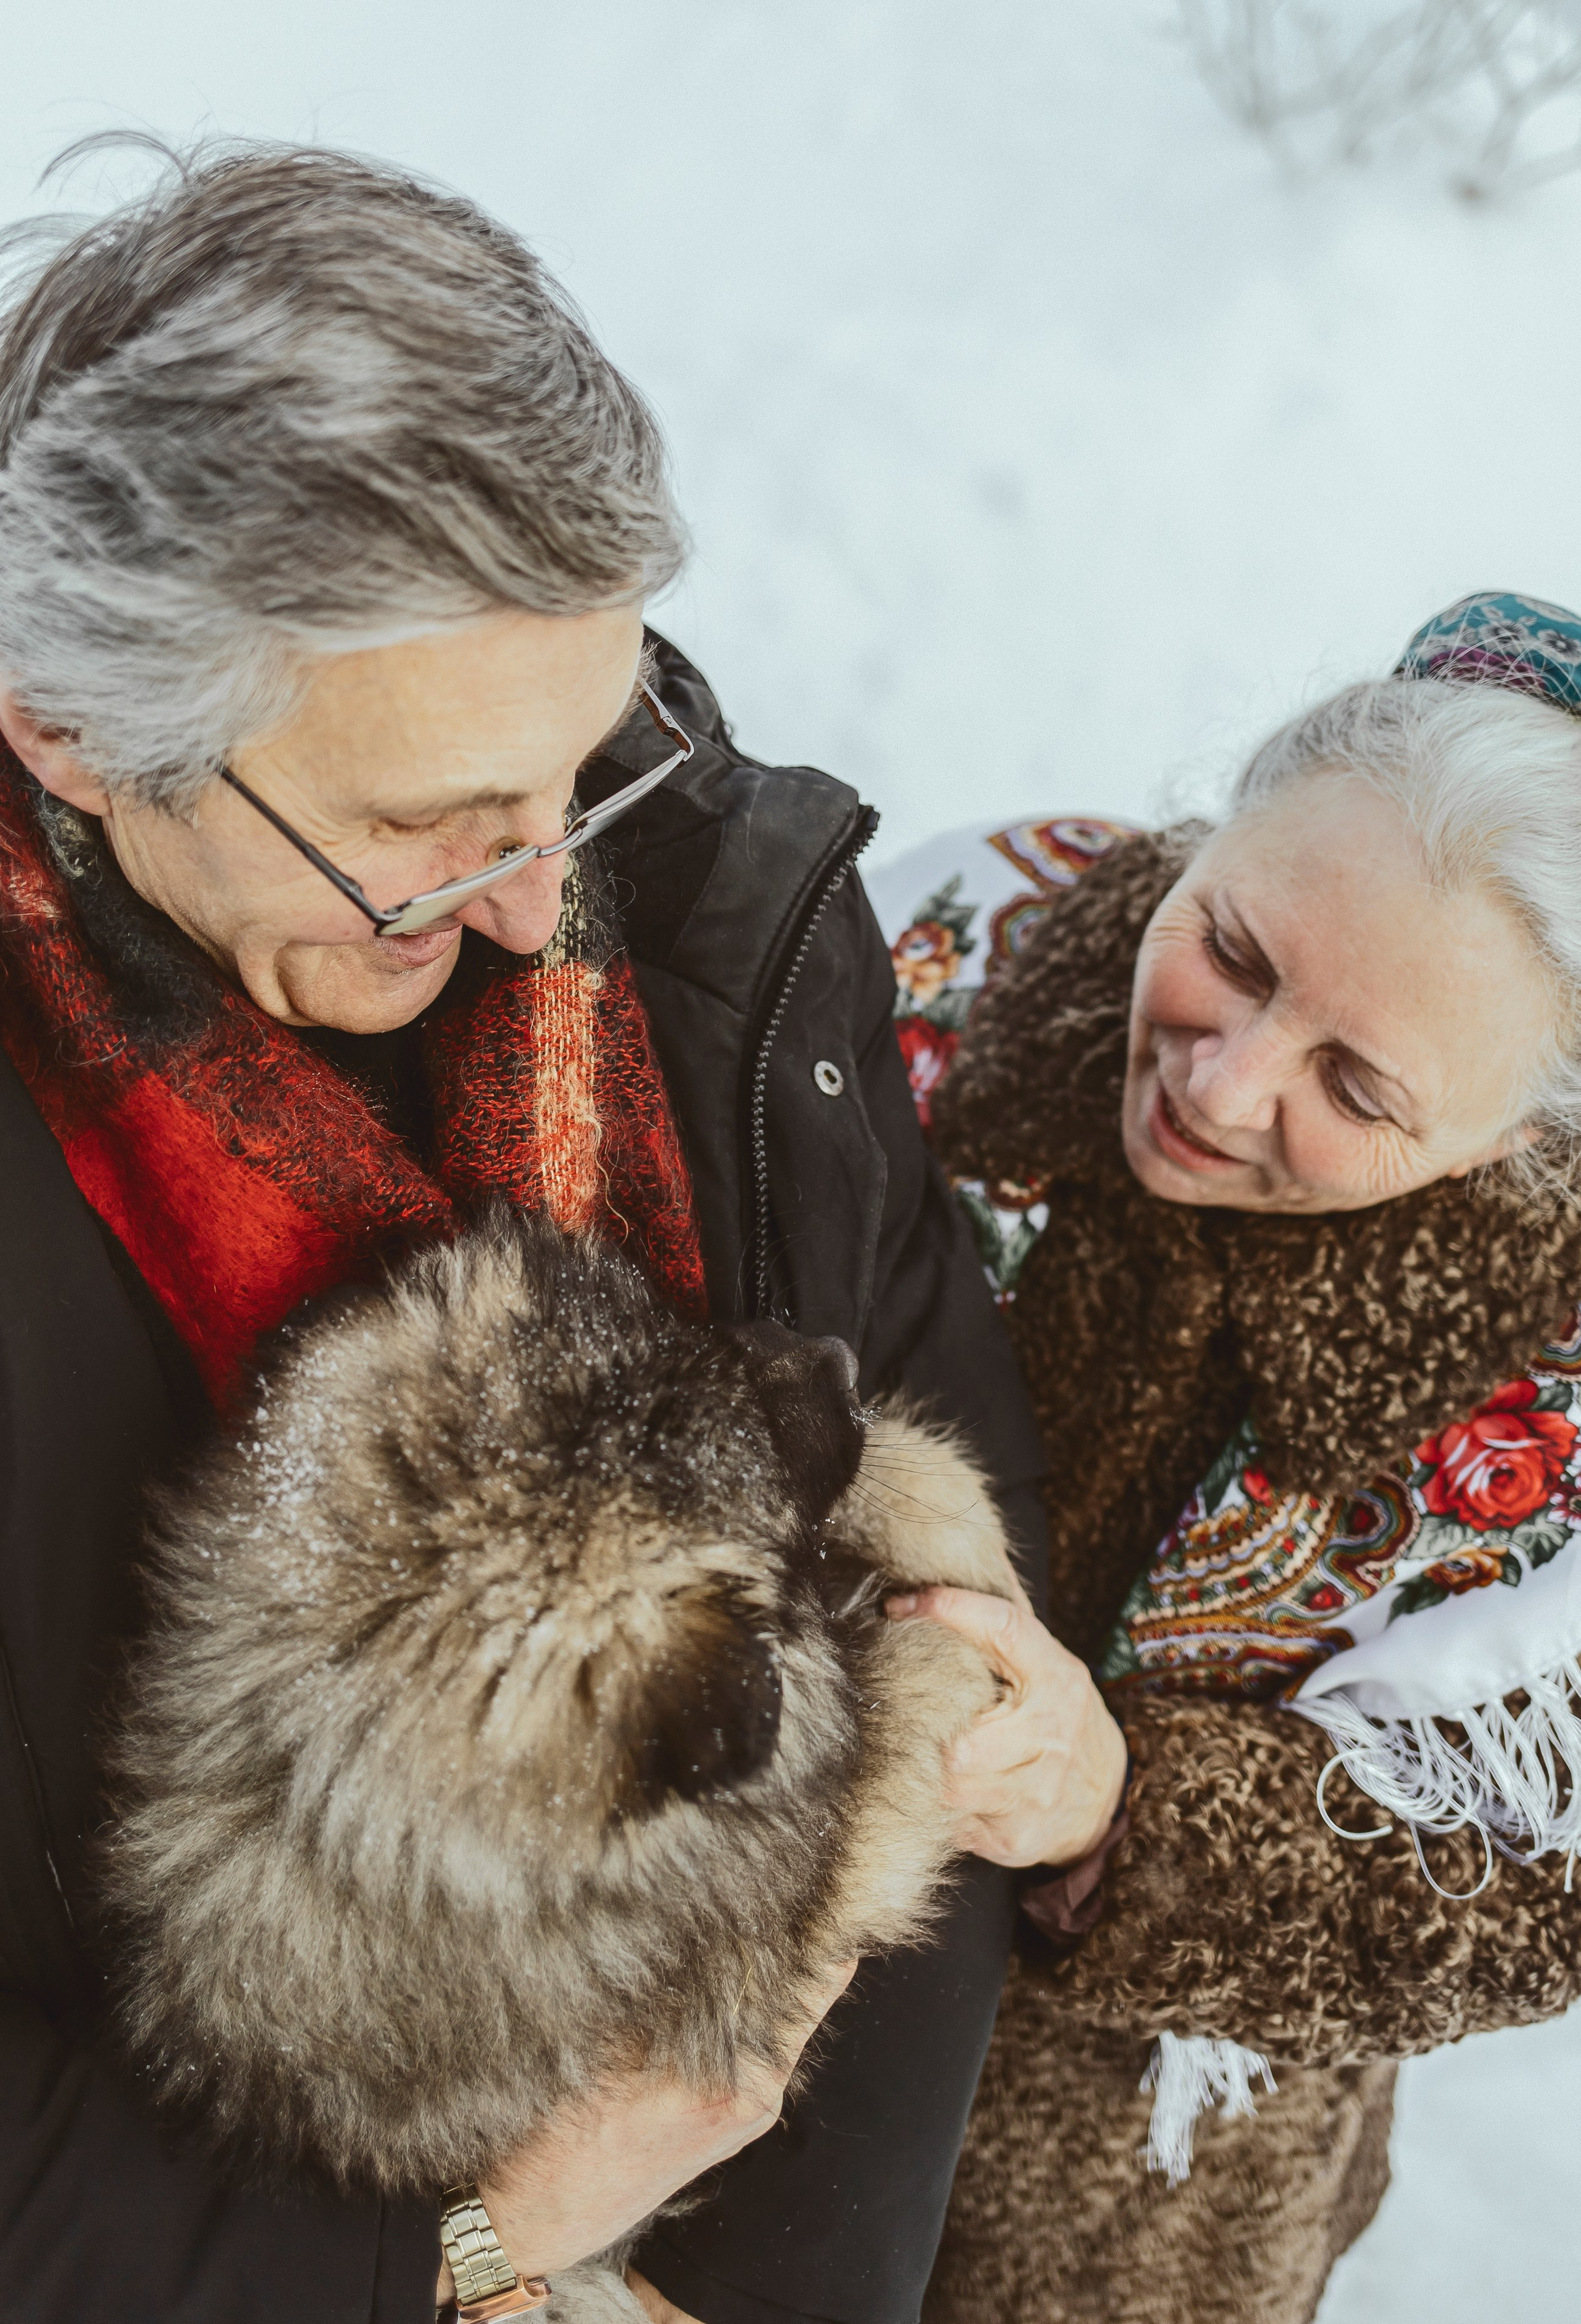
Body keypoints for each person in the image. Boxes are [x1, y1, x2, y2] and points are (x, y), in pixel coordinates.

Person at [0, 138, 1046, 2324]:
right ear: (78, 734)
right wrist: (449, 2252)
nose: (528, 893)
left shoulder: (674, 888)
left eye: (583, 763)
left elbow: (916, 1412)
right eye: (422, 829)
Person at [866, 594, 1581, 2323]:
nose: (1221, 1091)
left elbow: (1534, 1885)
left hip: (1100, 2215)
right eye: (1231, 946)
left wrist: (1121, 1811)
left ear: (1528, 1135)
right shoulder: (960, 929)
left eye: (1359, 1089)